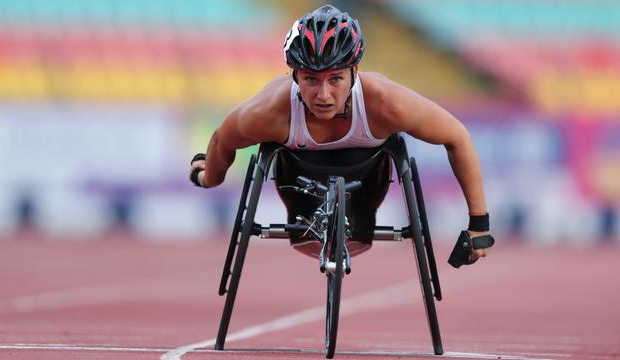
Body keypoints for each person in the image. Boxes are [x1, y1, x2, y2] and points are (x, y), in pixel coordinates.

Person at [190, 5, 493, 264]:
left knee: (360, 225)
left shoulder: (387, 103)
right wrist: (210, 178)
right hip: (297, 180)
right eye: (311, 79)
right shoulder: (270, 111)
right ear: (293, 75)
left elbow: (457, 136)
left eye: (335, 79)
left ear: (355, 72)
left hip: (368, 180)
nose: (323, 94)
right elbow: (222, 140)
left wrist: (479, 225)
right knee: (304, 237)